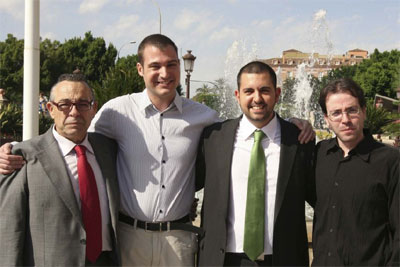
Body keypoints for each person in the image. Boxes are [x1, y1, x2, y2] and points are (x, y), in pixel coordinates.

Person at [0, 34, 314, 266]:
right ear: (140, 70)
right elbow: (72, 138)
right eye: (155, 66)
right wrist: (18, 150)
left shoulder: (205, 118)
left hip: (179, 239)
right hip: (129, 236)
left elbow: (250, 125)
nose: (164, 73)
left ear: (180, 67)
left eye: (171, 65)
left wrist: (294, 123)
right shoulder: (115, 112)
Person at [196, 61, 315, 266]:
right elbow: (189, 182)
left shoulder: (299, 140)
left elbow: (319, 196)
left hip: (283, 259)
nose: (257, 98)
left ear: (277, 94)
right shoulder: (213, 138)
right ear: (237, 95)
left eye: (265, 90)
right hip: (224, 259)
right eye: (249, 91)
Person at [0, 73, 120, 266]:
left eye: (82, 104)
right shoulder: (22, 157)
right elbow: (9, 232)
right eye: (64, 104)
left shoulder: (109, 150)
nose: (74, 112)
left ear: (93, 108)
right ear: (50, 109)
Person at [312, 78, 399, 266]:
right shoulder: (318, 155)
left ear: (364, 112)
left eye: (352, 110)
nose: (345, 120)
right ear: (326, 119)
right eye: (336, 113)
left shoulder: (391, 161)